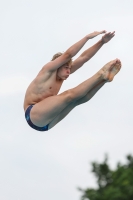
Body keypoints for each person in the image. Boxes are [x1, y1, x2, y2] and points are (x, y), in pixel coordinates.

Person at [23, 30, 121, 131]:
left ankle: (103, 80)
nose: (69, 71)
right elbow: (68, 55)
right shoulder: (48, 70)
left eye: (70, 68)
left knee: (77, 100)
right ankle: (100, 74)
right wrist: (87, 37)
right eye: (66, 67)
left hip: (47, 124)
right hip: (33, 114)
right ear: (58, 65)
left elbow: (84, 58)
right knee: (68, 95)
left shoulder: (62, 74)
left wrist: (102, 42)